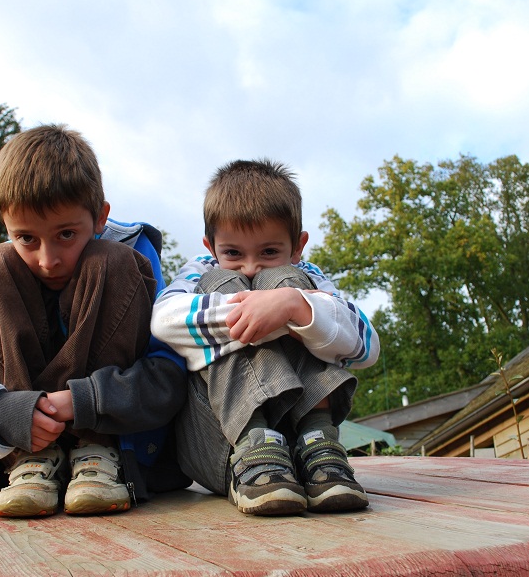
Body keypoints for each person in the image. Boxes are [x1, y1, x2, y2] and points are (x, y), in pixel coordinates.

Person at [0, 125, 189, 517]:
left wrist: (84, 402)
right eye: (26, 238)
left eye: (65, 234)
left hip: (122, 446)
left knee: (109, 259)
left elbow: (169, 374)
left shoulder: (130, 261)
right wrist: (8, 413)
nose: (47, 259)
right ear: (6, 228)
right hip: (18, 453)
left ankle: (95, 450)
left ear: (99, 217)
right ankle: (32, 458)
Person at [151, 159, 379, 516]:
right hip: (220, 444)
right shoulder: (202, 269)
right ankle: (254, 442)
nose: (251, 267)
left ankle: (318, 442)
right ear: (210, 246)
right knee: (222, 284)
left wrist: (292, 305)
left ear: (298, 245)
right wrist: (262, 315)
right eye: (233, 253)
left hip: (300, 453)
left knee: (290, 286)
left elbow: (367, 346)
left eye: (269, 252)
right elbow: (163, 321)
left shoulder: (306, 274)